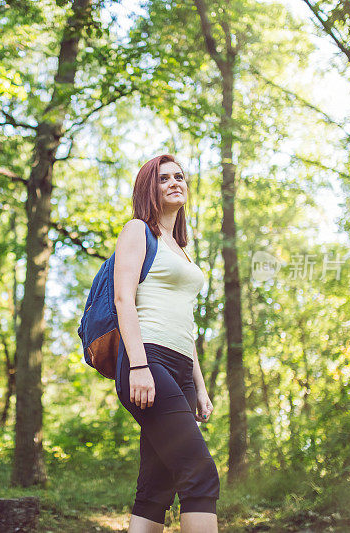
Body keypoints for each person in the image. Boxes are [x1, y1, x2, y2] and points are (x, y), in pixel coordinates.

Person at [113, 154, 220, 532]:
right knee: (200, 474)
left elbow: (185, 325)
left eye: (180, 176)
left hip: (179, 368)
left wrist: (201, 387)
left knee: (157, 488)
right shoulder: (137, 231)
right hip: (148, 360)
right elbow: (123, 299)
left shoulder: (181, 250)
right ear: (149, 189)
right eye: (163, 179)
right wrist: (139, 365)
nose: (175, 182)